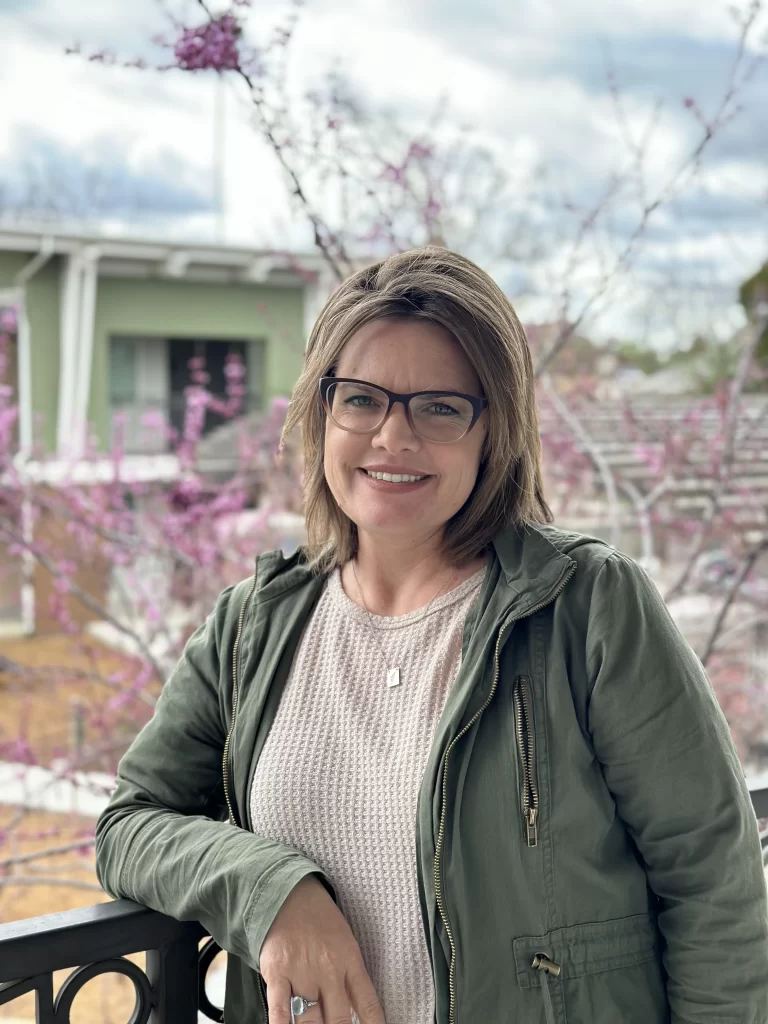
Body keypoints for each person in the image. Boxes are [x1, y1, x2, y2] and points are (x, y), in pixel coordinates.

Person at [95, 247, 768, 1024]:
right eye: (361, 400)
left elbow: (713, 883)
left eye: (440, 407)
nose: (393, 436)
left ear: (494, 432)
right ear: (323, 412)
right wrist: (267, 889)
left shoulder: (586, 605)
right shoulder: (251, 625)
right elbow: (129, 825)